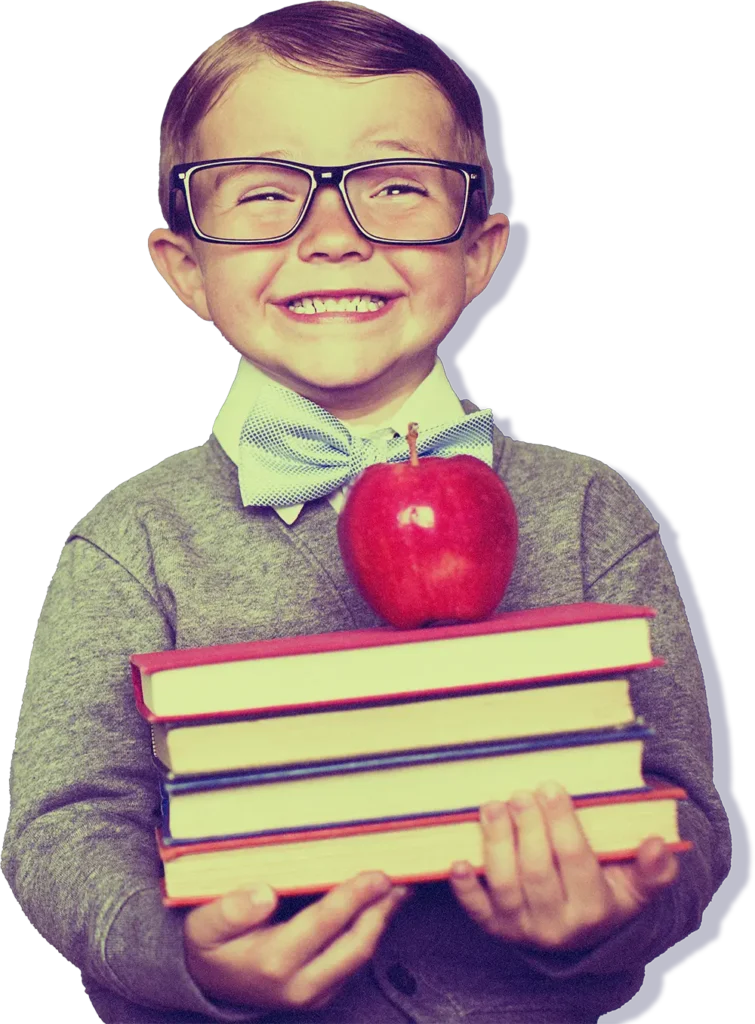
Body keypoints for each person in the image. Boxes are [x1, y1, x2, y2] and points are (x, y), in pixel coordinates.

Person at [3, 3, 733, 1023]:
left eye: (392, 188)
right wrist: (189, 961)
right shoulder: (130, 538)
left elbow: (679, 809)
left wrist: (606, 915)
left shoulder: (586, 512)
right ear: (182, 268)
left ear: (476, 254)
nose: (332, 236)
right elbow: (65, 826)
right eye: (264, 193)